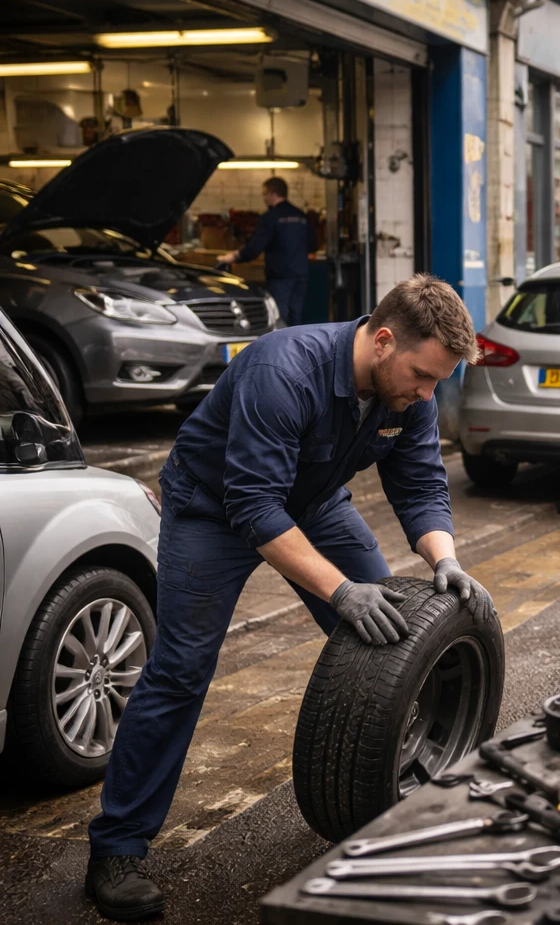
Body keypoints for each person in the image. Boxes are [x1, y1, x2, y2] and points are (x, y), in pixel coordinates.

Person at [85, 274, 493, 921]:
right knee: (181, 670)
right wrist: (340, 590)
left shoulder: (407, 394)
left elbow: (418, 483)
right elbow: (253, 506)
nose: (426, 395)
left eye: (437, 382)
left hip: (314, 502)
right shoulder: (283, 369)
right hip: (213, 510)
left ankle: (410, 785)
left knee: (393, 639)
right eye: (421, 376)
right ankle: (117, 847)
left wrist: (446, 560)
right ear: (383, 341)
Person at [219, 176, 317, 326]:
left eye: (265, 194)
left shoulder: (270, 218)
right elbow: (312, 246)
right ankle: (298, 348)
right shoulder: (301, 216)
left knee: (280, 318)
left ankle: (284, 349)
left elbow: (254, 248)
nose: (264, 198)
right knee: (296, 317)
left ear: (273, 194)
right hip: (300, 274)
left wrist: (233, 257)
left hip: (280, 276)